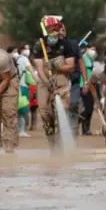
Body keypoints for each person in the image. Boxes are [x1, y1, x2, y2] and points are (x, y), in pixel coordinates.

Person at [32, 16, 76, 153]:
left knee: (60, 113)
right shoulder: (40, 45)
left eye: (57, 29)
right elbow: (39, 69)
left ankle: (62, 146)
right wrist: (48, 83)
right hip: (45, 83)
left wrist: (58, 67)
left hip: (62, 83)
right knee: (46, 114)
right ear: (47, 29)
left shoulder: (66, 45)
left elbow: (71, 67)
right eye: (52, 29)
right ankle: (52, 146)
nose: (55, 31)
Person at [59, 23, 89, 134]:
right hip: (58, 83)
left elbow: (81, 62)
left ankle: (73, 130)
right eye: (59, 30)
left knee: (73, 104)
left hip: (74, 82)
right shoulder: (51, 46)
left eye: (63, 30)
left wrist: (85, 81)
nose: (61, 32)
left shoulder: (73, 44)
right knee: (60, 109)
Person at [11, 44, 31, 137]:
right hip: (23, 86)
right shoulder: (24, 59)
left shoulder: (15, 59)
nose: (28, 50)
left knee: (17, 109)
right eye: (26, 49)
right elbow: (30, 69)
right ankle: (21, 130)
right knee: (23, 109)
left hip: (16, 86)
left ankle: (17, 129)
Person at [79, 41, 97, 135]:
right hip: (83, 85)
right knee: (87, 108)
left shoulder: (90, 59)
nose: (94, 51)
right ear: (86, 49)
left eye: (95, 50)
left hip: (91, 85)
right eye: (92, 49)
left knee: (89, 108)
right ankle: (77, 122)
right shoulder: (83, 58)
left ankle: (86, 129)